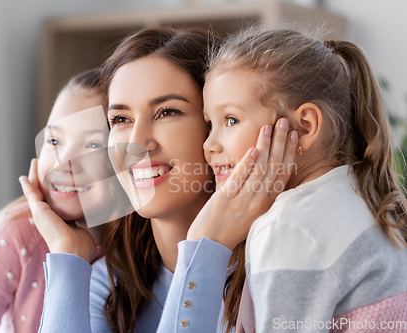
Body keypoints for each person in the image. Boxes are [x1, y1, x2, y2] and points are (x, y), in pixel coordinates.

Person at [19, 27, 296, 333]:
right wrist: (68, 256)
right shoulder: (109, 284)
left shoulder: (279, 272)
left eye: (167, 112)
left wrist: (206, 248)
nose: (136, 143)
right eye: (121, 119)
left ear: (215, 125)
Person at [161, 28, 407, 333]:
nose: (209, 145)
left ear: (303, 127)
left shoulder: (290, 228)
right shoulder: (359, 195)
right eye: (211, 124)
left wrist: (200, 241)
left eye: (231, 120)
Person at [0, 69, 109, 333]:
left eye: (94, 145)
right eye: (54, 140)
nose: (64, 163)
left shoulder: (140, 241)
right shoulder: (20, 235)